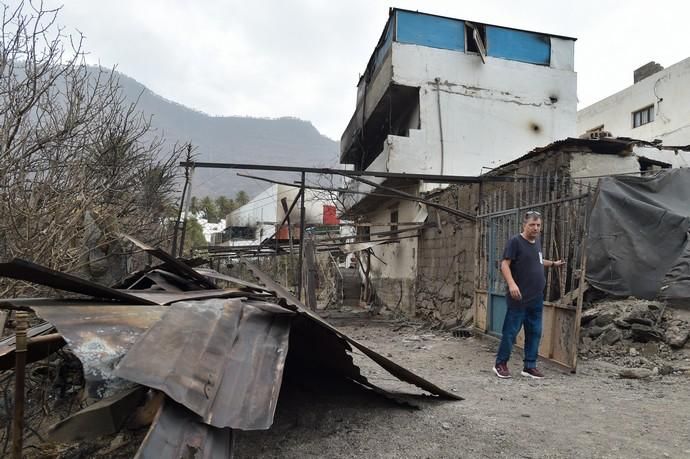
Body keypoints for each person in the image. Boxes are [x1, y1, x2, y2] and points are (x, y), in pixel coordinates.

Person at [493, 210, 564, 379]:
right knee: (510, 332)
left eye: (538, 225)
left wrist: (553, 263)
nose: (536, 228)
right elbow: (504, 264)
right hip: (519, 298)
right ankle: (500, 364)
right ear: (524, 225)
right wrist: (512, 284)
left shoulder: (536, 242)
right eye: (532, 225)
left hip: (536, 298)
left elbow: (538, 261)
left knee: (535, 332)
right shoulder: (515, 242)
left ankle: (529, 366)